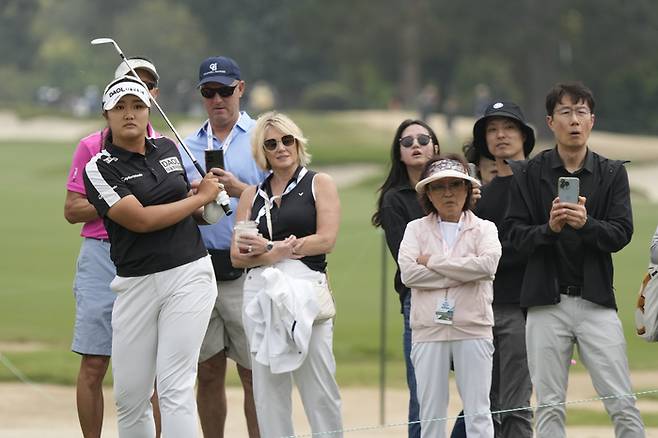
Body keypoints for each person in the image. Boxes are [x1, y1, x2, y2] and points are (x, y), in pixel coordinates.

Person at [82, 76, 220, 437]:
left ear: (149, 111)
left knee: (174, 388)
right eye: (120, 107)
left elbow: (183, 207)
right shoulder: (99, 167)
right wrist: (199, 198)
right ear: (106, 115)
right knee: (130, 397)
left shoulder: (169, 150)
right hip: (135, 283)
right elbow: (140, 220)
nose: (130, 114)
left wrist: (206, 205)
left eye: (138, 106)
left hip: (189, 273)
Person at [505, 82, 645, 437]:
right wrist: (549, 229)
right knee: (550, 405)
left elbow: (620, 234)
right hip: (544, 304)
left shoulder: (612, 172)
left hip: (595, 301)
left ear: (592, 120)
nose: (574, 121)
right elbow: (513, 236)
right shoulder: (528, 173)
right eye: (565, 113)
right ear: (550, 122)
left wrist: (586, 225)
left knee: (622, 401)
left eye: (581, 112)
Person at [64, 57, 163, 438]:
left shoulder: (165, 146)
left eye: (146, 87)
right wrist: (120, 198)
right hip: (101, 255)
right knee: (94, 362)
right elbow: (73, 209)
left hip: (151, 256)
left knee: (153, 369)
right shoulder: (90, 146)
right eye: (127, 87)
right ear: (110, 97)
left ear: (152, 96)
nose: (136, 97)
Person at [231, 111, 343, 438]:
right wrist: (276, 251)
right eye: (271, 143)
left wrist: (270, 249)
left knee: (319, 383)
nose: (281, 147)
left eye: (287, 140)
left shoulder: (319, 182)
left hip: (306, 289)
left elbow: (326, 239)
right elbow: (238, 256)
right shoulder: (252, 194)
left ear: (297, 142)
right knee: (267, 387)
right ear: (261, 151)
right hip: (259, 292)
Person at [181, 56, 266, 438]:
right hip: (200, 270)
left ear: (240, 89)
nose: (218, 99)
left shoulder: (263, 138)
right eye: (209, 91)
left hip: (250, 270)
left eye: (225, 90)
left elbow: (282, 197)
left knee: (252, 373)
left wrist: (240, 189)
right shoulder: (187, 146)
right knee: (208, 370)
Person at [398, 154, 501, 438]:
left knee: (478, 412)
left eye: (456, 184)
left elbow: (487, 266)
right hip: (428, 330)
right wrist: (464, 272)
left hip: (473, 327)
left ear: (468, 189)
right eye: (438, 186)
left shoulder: (485, 228)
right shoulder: (414, 229)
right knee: (430, 414)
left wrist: (432, 261)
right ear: (427, 193)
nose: (448, 193)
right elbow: (409, 275)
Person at [372, 119, 440, 438]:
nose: (416, 145)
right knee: (424, 396)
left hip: (466, 299)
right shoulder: (394, 200)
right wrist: (459, 262)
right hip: (419, 302)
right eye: (407, 141)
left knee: (485, 390)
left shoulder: (455, 187)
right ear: (399, 154)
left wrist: (436, 258)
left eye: (423, 139)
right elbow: (409, 261)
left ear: (435, 148)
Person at [471, 101, 535, 437]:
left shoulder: (540, 184)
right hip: (481, 308)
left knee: (515, 407)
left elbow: (540, 244)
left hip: (522, 308)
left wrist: (491, 257)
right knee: (484, 409)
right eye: (492, 130)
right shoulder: (480, 197)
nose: (500, 136)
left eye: (508, 128)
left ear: (524, 136)